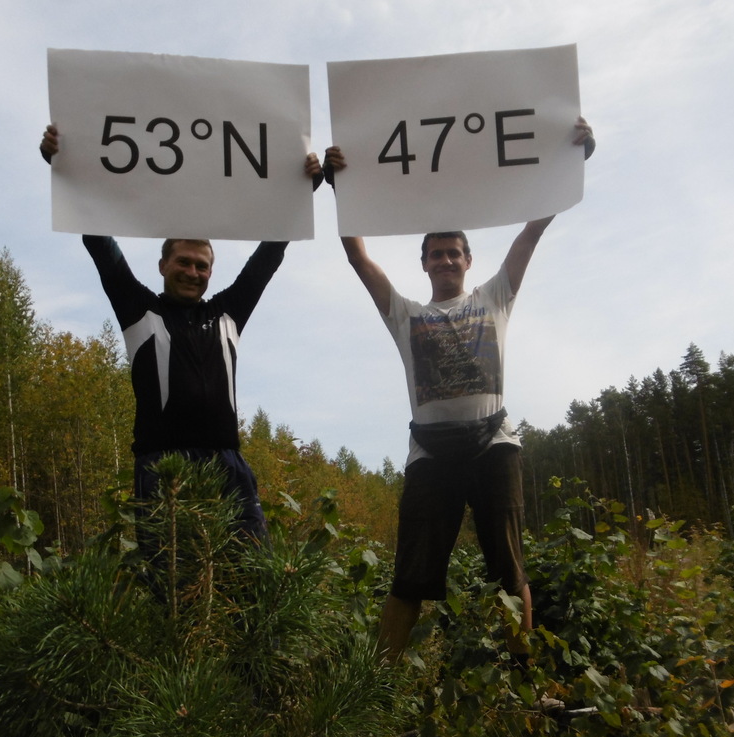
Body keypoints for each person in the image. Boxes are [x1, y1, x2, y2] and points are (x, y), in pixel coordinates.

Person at [323, 118, 593, 664]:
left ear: (468, 261)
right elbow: (358, 257)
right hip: (430, 453)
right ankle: (375, 686)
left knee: (510, 570)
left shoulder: (495, 298)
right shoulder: (405, 313)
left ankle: (524, 682)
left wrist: (571, 162)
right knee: (408, 577)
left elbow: (530, 233)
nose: (445, 260)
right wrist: (339, 187)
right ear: (422, 263)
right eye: (435, 254)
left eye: (454, 253)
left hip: (495, 445)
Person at [40, 124, 322, 548]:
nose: (193, 272)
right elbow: (99, 241)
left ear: (211, 271)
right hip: (162, 468)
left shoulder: (229, 311)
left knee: (250, 582)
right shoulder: (139, 310)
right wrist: (63, 166)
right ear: (163, 266)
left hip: (228, 465)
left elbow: (270, 252)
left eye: (202, 265)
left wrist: (306, 190)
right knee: (170, 587)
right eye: (184, 262)